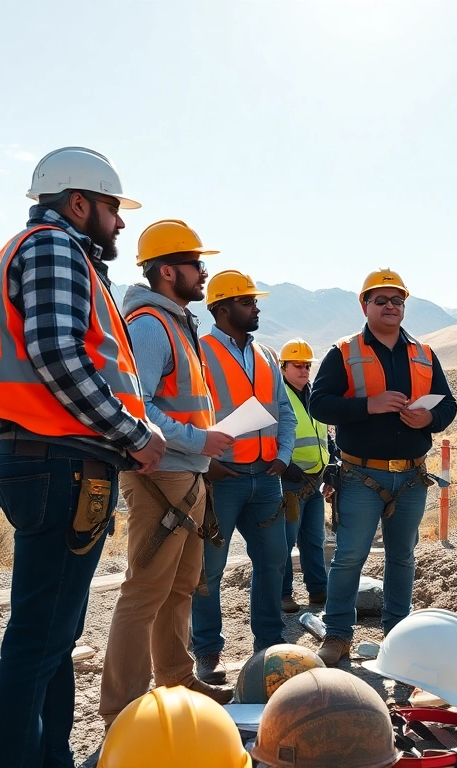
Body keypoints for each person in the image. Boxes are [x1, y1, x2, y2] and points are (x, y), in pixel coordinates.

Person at [0, 146, 166, 767]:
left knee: (53, 635)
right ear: (78, 202)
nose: (120, 222)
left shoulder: (51, 251)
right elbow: (58, 355)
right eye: (112, 208)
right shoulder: (56, 248)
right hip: (58, 461)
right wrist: (133, 433)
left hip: (53, 459)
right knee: (38, 638)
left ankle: (48, 756)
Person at [99, 220, 235, 726]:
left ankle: (176, 678)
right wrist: (200, 440)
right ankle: (122, 708)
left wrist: (203, 443)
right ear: (168, 271)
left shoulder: (174, 321)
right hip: (161, 476)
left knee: (180, 587)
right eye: (197, 265)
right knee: (144, 592)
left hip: (186, 475)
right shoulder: (151, 325)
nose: (203, 274)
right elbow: (138, 406)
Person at [310, 269, 457, 665]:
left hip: (411, 475)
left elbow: (448, 405)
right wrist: (367, 406)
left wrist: (429, 420)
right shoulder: (344, 352)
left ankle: (398, 635)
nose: (391, 307)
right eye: (382, 300)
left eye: (398, 301)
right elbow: (319, 403)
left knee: (403, 557)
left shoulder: (425, 353)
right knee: (349, 556)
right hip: (361, 475)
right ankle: (338, 634)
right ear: (365, 305)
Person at [190, 270, 296, 684]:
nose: (257, 308)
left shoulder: (268, 355)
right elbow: (191, 413)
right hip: (221, 479)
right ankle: (208, 653)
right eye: (248, 302)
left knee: (272, 563)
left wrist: (284, 456)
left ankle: (267, 648)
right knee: (208, 570)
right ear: (221, 308)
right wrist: (204, 460)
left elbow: (283, 411)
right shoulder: (198, 353)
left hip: (267, 477)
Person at [278, 339, 332, 614]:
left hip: (315, 479)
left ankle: (318, 591)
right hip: (289, 482)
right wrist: (286, 466)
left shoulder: (315, 395)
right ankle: (284, 594)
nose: (303, 370)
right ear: (283, 367)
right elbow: (271, 436)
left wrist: (331, 468)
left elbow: (325, 436)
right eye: (297, 365)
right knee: (285, 541)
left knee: (313, 539)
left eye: (307, 365)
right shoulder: (279, 396)